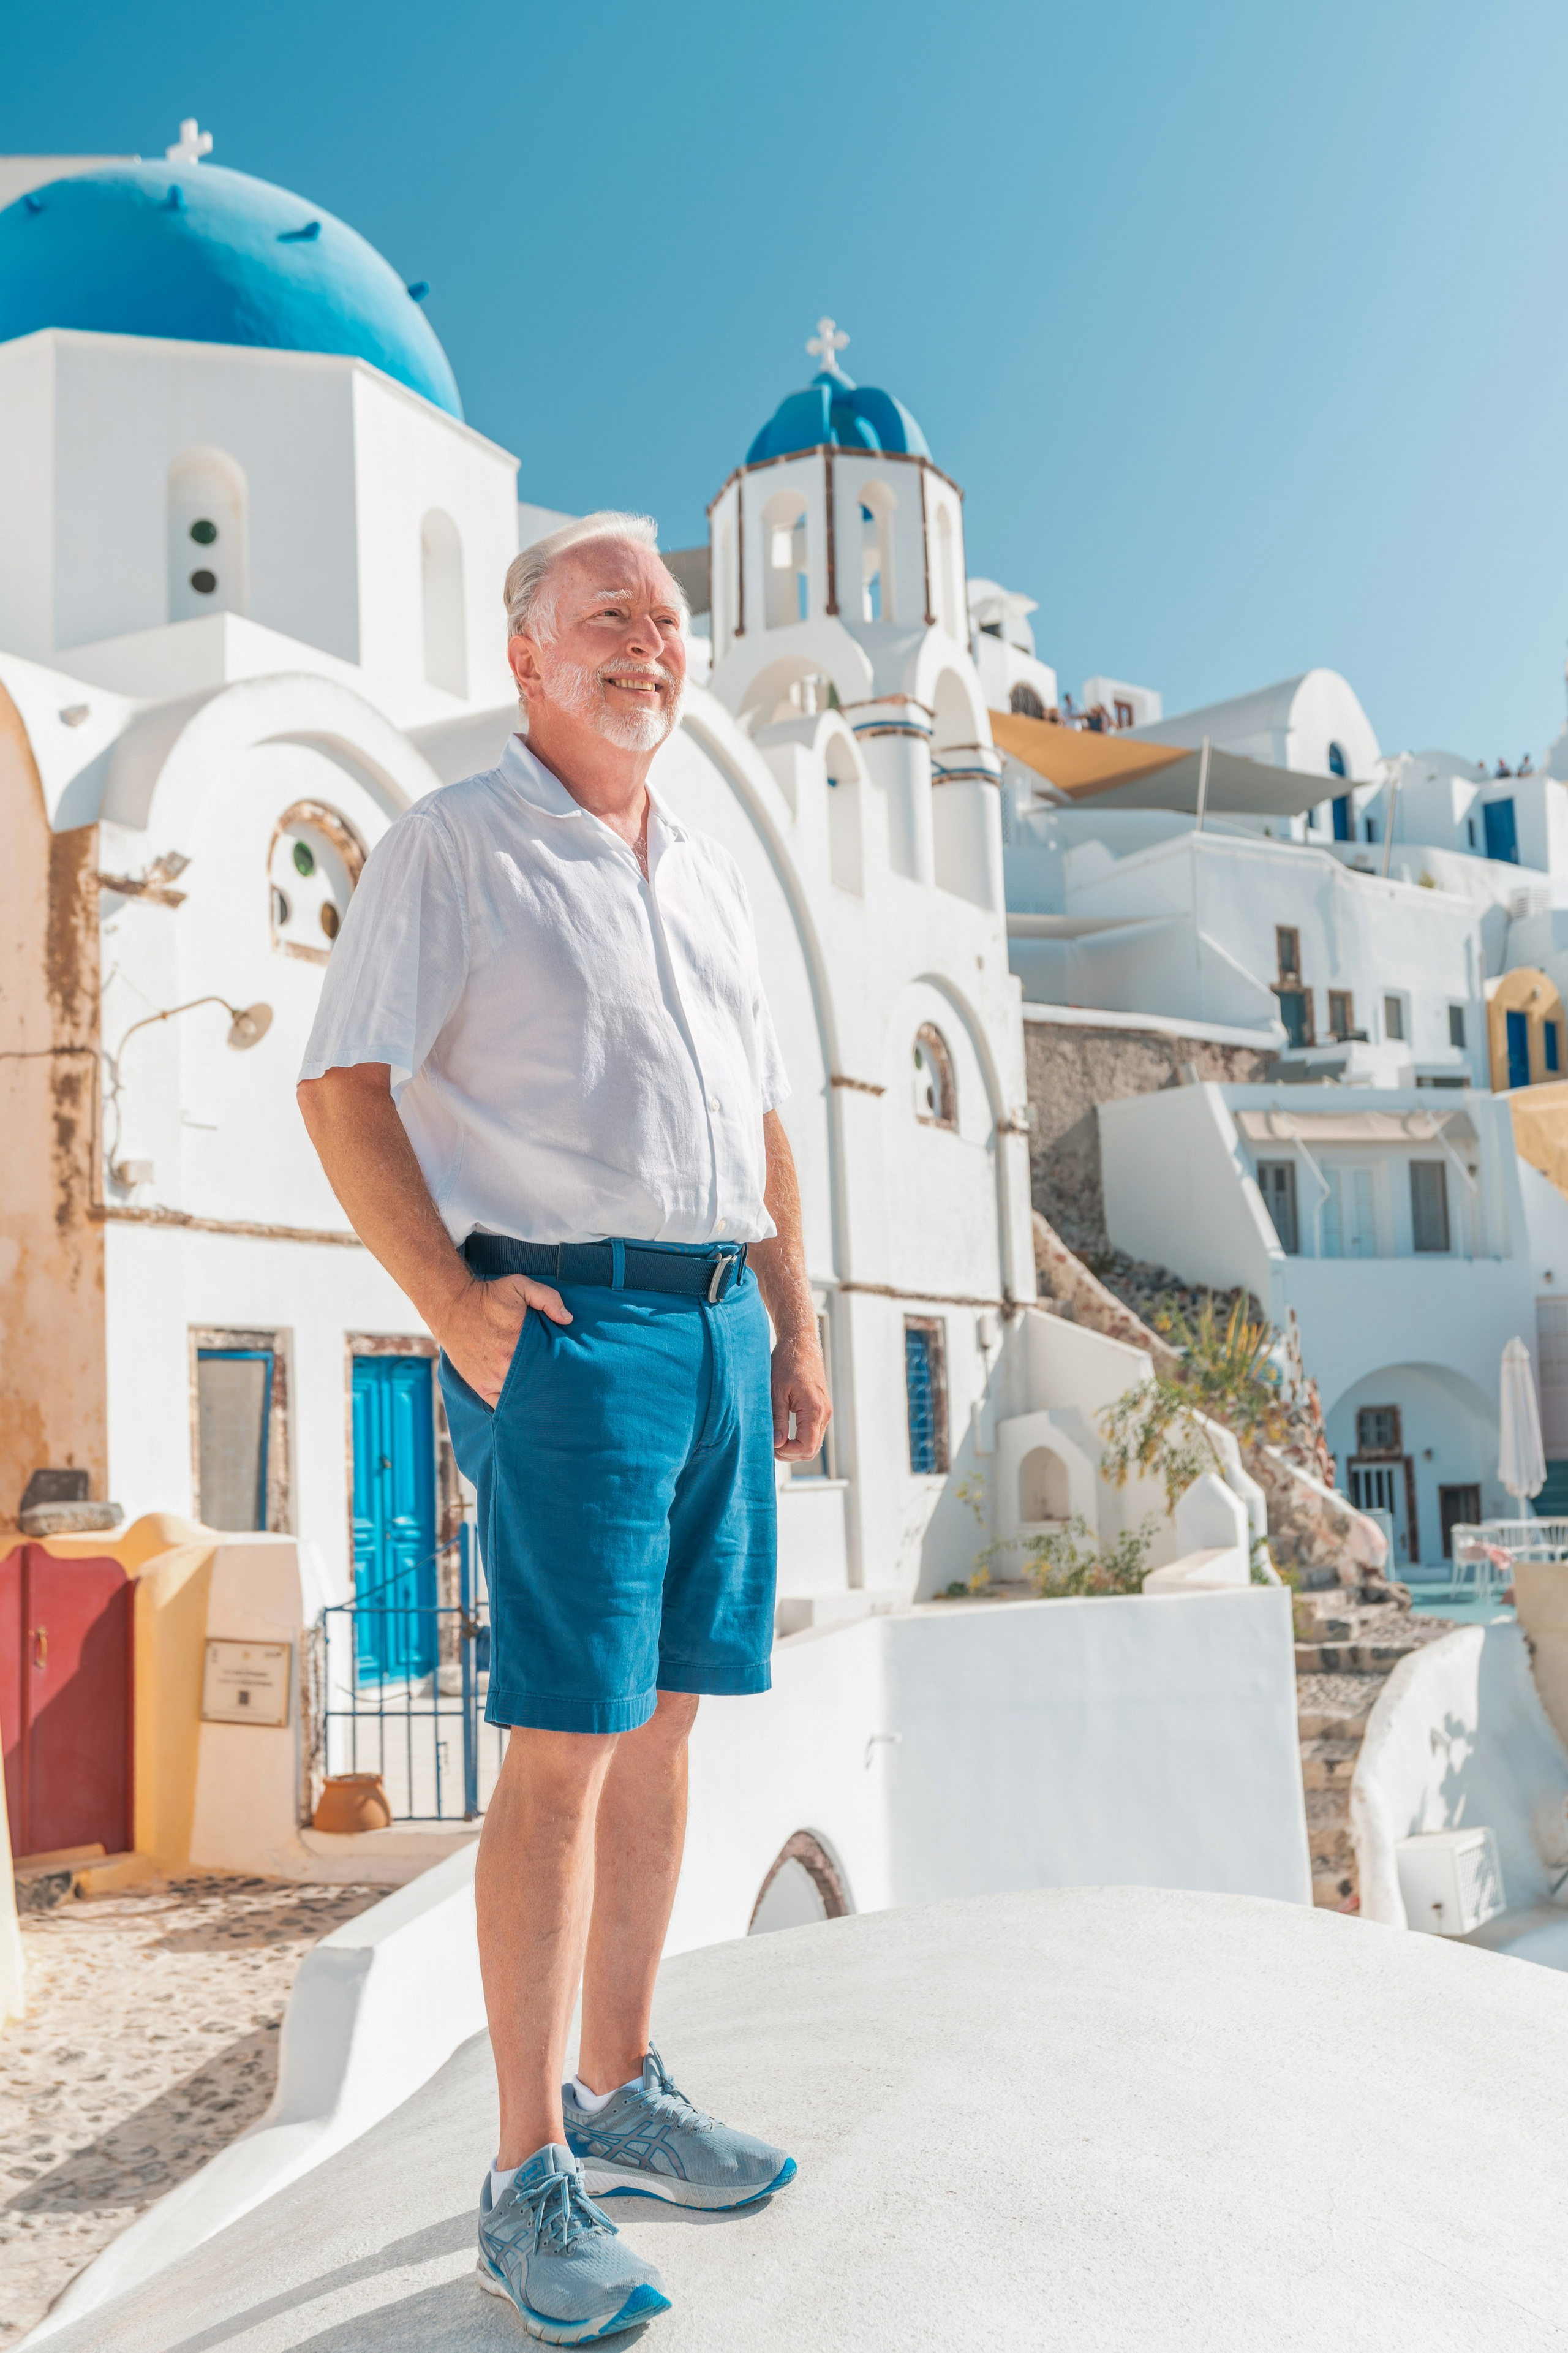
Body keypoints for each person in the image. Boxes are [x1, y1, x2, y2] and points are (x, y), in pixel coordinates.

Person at [298, 511, 832, 2344]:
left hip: (708, 1322)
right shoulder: (453, 848)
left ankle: (623, 2090)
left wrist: (795, 1320)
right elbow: (339, 1079)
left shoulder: (702, 869)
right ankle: (527, 2175)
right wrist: (454, 1310)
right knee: (562, 1746)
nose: (649, 639)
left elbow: (756, 1119)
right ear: (525, 657)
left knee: (670, 1725)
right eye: (607, 613)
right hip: (570, 1325)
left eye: (669, 618)